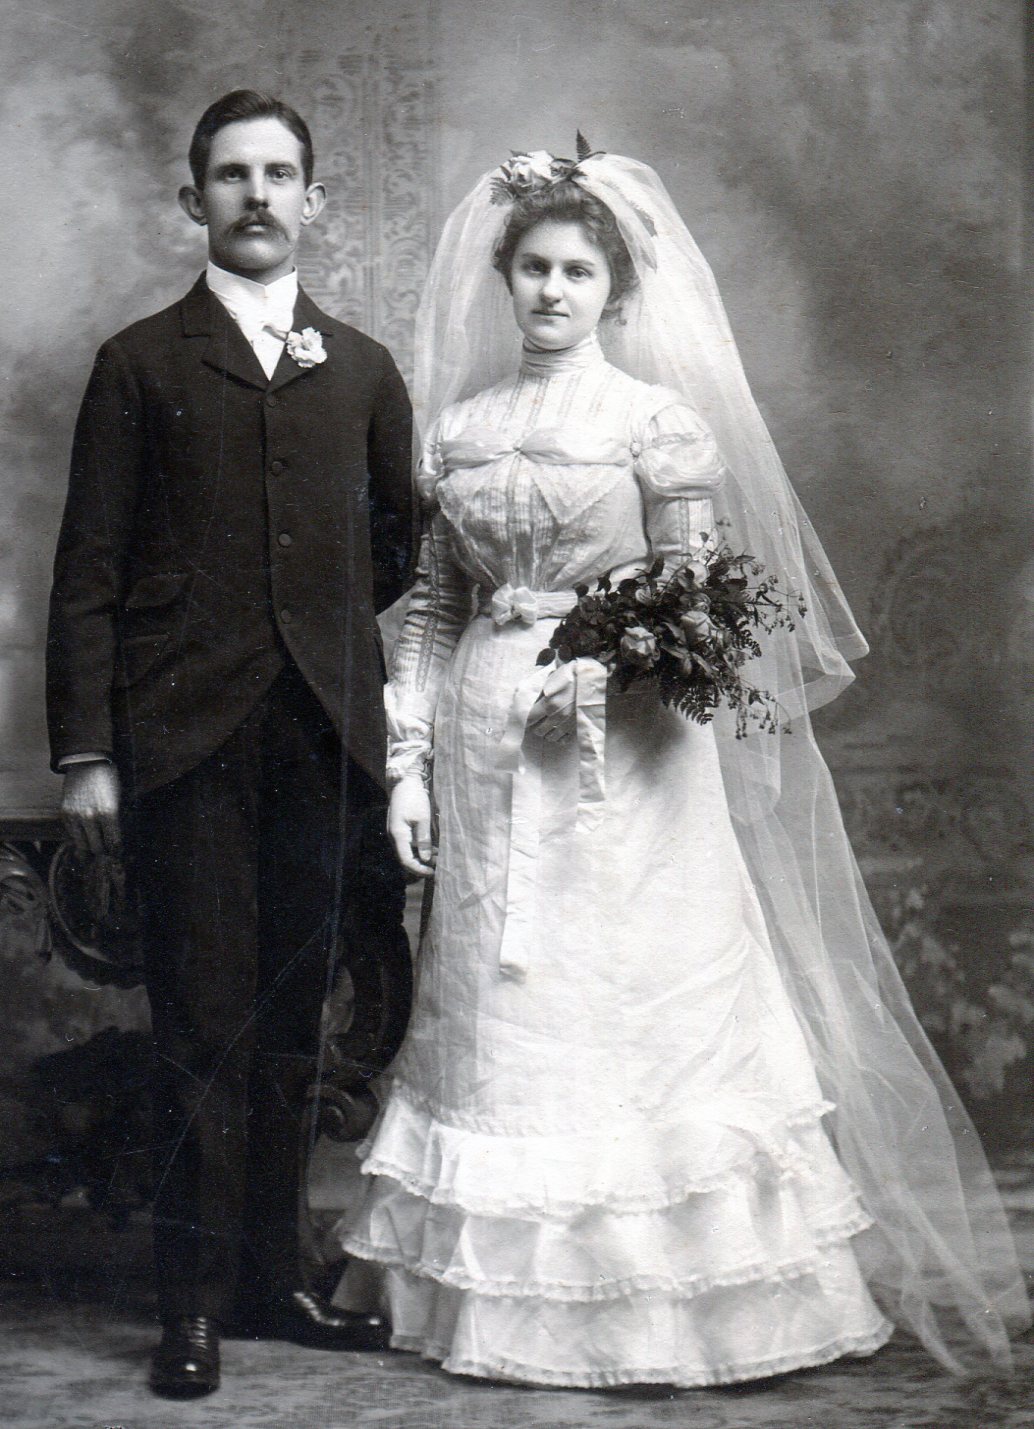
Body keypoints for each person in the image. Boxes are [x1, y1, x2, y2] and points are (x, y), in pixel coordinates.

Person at [337, 147, 1030, 1389]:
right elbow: (434, 617)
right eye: (534, 269)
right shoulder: (458, 431)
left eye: (575, 271)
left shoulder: (653, 426)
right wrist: (405, 763)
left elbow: (700, 606)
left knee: (635, 998)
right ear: (506, 280)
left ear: (613, 288)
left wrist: (613, 666)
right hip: (489, 739)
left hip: (634, 758)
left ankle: (677, 1308)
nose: (551, 291)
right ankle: (497, 1304)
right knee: (507, 1000)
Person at [46, 90, 413, 1398]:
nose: (257, 194)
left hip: (318, 743)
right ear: (190, 199)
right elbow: (87, 572)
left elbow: (390, 553)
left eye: (280, 174)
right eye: (231, 175)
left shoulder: (364, 371)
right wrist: (88, 753)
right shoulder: (140, 365)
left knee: (288, 1029)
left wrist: (318, 669)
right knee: (199, 1023)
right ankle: (190, 1305)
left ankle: (274, 1283)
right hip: (184, 743)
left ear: (314, 199)